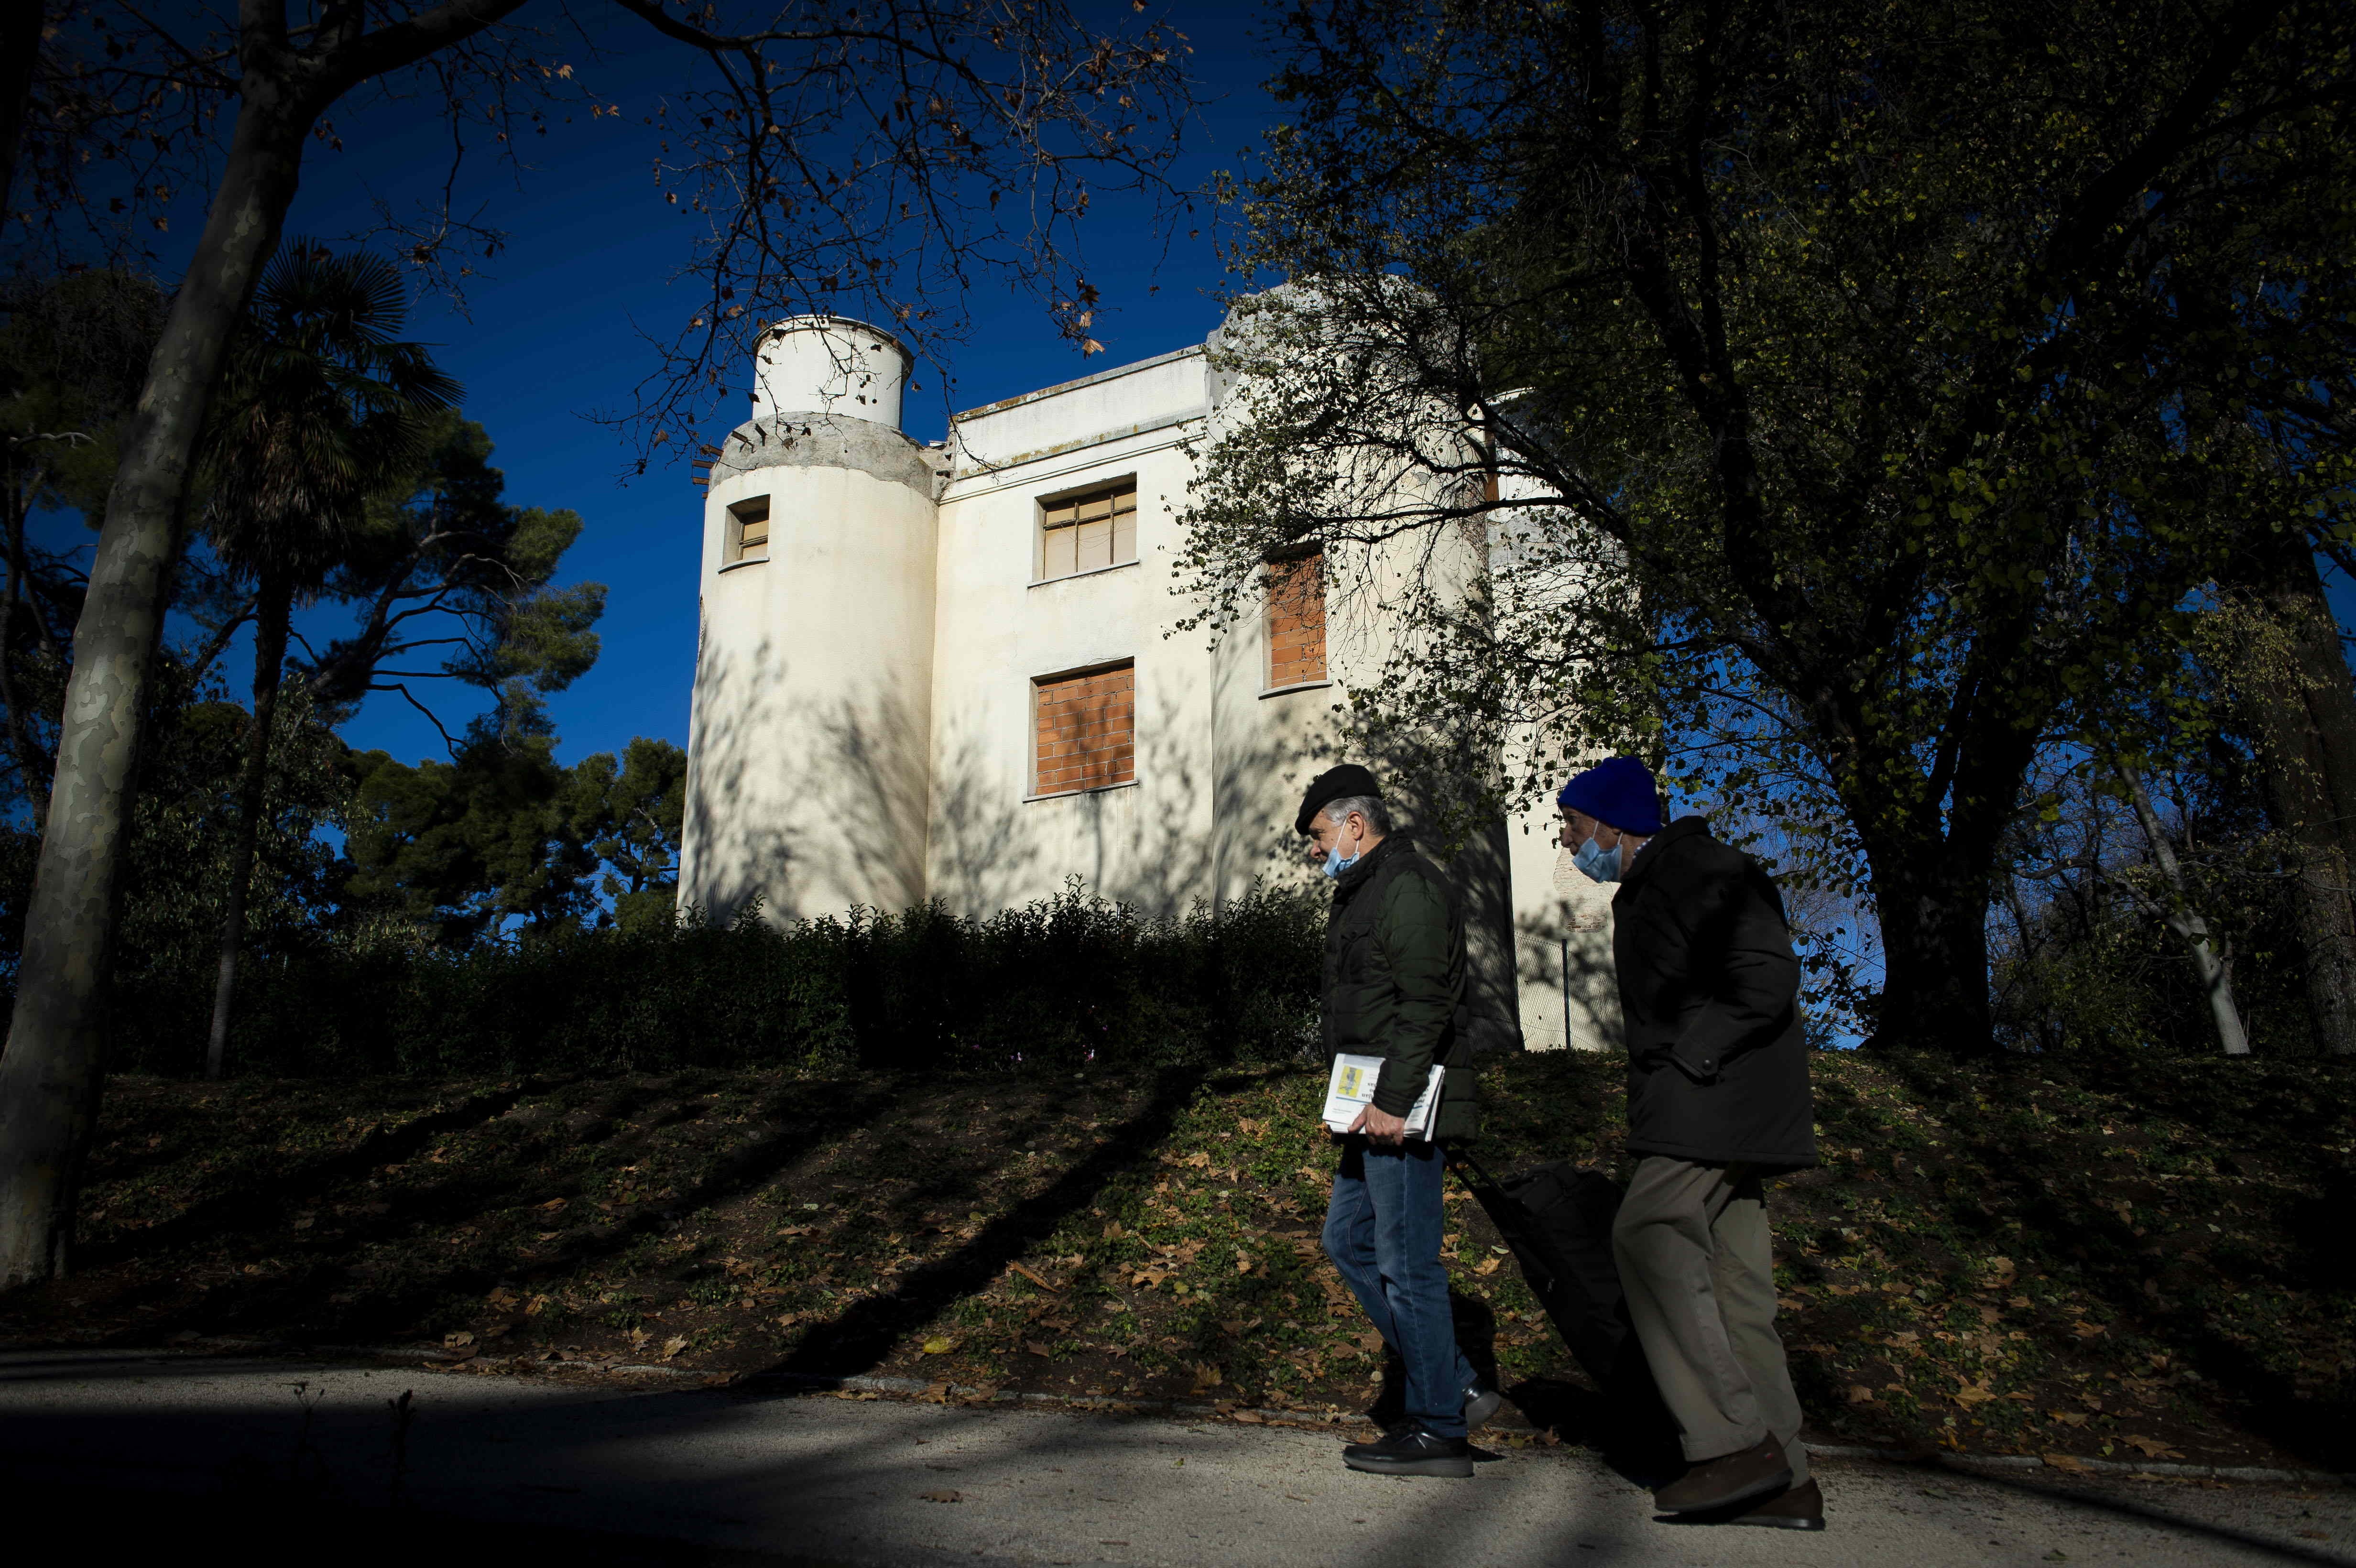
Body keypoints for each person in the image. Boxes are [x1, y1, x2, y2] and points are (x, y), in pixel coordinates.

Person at [1558, 755, 1825, 1532]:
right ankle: (1785, 1481)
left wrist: (1689, 1061)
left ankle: (1732, 1444)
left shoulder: (1702, 869)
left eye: (1572, 825)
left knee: (1647, 1233)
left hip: (1712, 1104)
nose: (1568, 842)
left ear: (1612, 822)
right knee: (1738, 1288)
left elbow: (1765, 977)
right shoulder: (1656, 884)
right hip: (1719, 1108)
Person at [1296, 763, 1500, 1479]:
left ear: (1356, 824)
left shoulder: (1407, 886)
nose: (1314, 850)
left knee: (1406, 1262)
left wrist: (1390, 1100)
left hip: (1401, 1108)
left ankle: (1440, 1429)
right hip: (1370, 1108)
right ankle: (1455, 1383)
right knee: (1347, 1240)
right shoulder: (1366, 891)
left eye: (1319, 835)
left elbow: (1425, 1004)